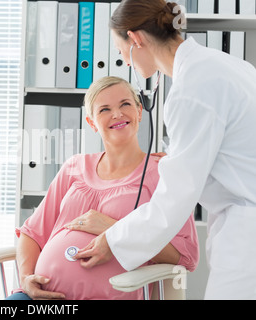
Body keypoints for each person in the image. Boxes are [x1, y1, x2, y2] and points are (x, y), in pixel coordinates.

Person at [75, 0, 256, 300]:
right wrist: (178, 159)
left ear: (135, 40)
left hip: (247, 229)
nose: (126, 61)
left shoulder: (192, 89)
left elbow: (175, 199)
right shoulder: (226, 65)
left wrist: (113, 239)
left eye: (121, 52)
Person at [8, 76, 199, 300]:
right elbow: (32, 234)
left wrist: (114, 230)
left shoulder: (162, 174)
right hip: (39, 298)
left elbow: (186, 257)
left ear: (139, 111)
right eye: (104, 109)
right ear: (91, 123)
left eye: (125, 104)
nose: (117, 114)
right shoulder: (74, 167)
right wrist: (26, 280)